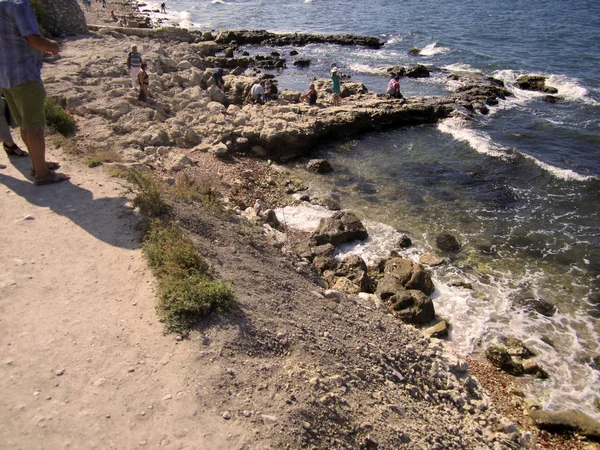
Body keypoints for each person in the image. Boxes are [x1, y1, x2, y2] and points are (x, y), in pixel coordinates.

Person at [0, 0, 69, 184]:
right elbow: (34, 39)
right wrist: (53, 46)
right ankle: (42, 173)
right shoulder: (19, 5)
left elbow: (11, 40)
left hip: (6, 77)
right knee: (35, 127)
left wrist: (36, 52)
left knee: (25, 124)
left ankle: (38, 163)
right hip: (25, 75)